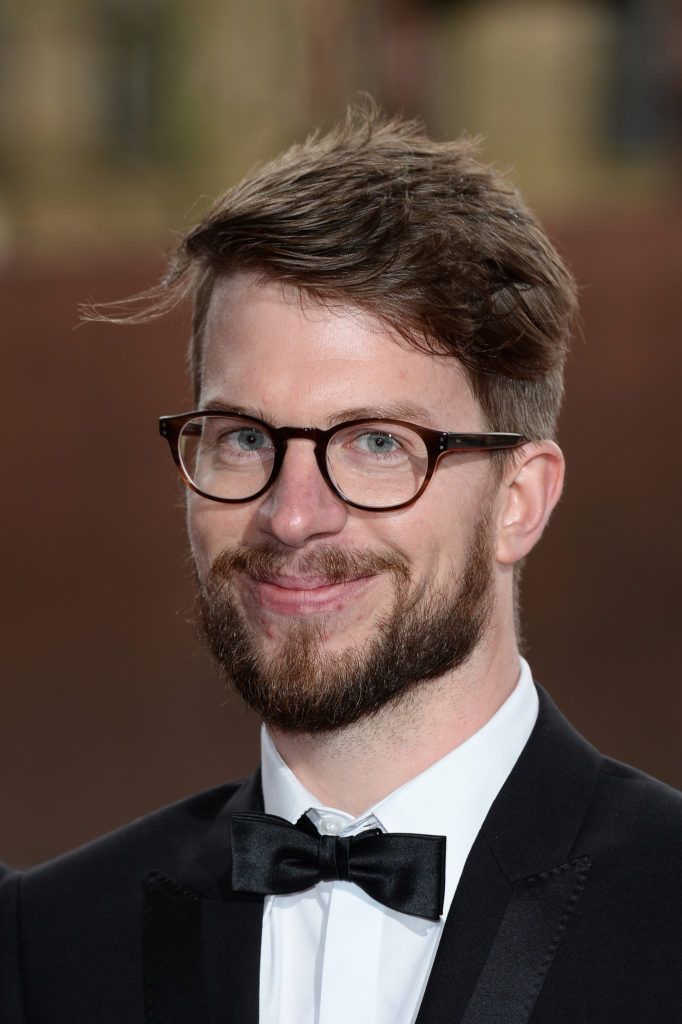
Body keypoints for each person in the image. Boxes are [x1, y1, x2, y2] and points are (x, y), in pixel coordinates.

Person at [1, 104, 680, 1024]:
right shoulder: (45, 946)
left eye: (375, 443)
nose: (291, 515)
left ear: (518, 501)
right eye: (244, 437)